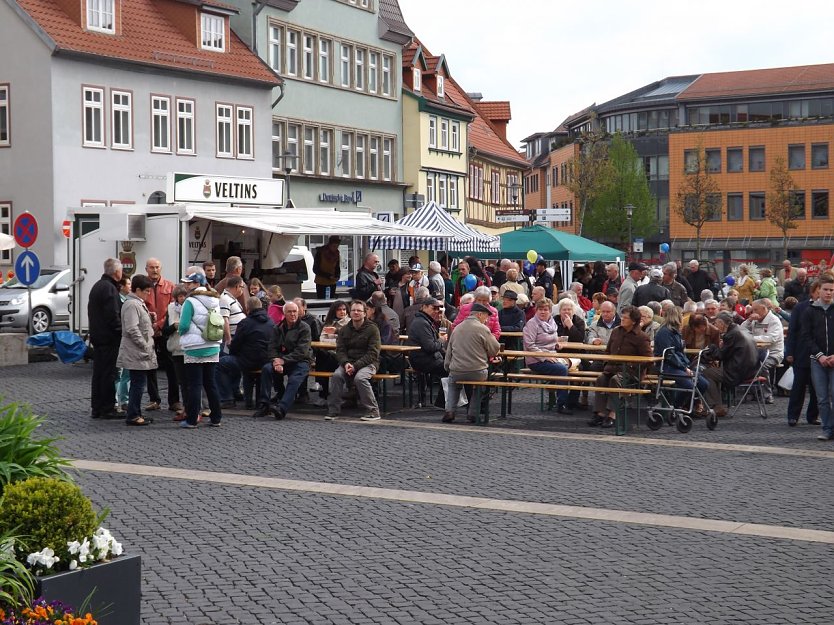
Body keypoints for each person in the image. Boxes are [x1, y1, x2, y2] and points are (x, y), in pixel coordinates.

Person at [588, 306, 652, 428]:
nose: (622, 319)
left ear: (633, 321)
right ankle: (600, 413)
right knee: (601, 379)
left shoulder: (641, 337)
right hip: (612, 368)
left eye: (625, 318)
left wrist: (632, 365)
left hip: (631, 372)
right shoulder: (616, 331)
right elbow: (608, 351)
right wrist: (607, 363)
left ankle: (613, 414)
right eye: (622, 317)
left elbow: (648, 359)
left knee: (615, 380)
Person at [252, 300, 313, 420]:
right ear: (284, 313)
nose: (293, 314)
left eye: (295, 311)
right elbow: (272, 347)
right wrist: (276, 361)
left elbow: (302, 351)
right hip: (281, 360)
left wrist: (283, 360)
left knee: (294, 379)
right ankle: (264, 405)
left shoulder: (304, 328)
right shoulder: (278, 327)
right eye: (289, 312)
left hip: (301, 361)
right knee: (266, 369)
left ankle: (282, 408)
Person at [177, 272, 223, 428]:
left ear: (197, 284)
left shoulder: (190, 301)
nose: (186, 286)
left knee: (195, 385)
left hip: (194, 347)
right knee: (211, 383)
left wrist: (180, 332)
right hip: (212, 344)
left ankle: (192, 420)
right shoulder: (215, 299)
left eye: (189, 283)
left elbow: (184, 325)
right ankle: (216, 418)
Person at [443, 302, 500, 423]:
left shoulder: (457, 328)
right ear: (479, 314)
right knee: (480, 386)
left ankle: (450, 411)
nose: (486, 320)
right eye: (486, 316)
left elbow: (449, 352)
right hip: (477, 371)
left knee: (453, 383)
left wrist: (448, 367)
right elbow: (494, 349)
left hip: (457, 370)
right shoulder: (483, 329)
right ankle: (473, 413)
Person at [325, 300, 381, 421]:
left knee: (360, 378)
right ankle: (333, 410)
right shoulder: (344, 329)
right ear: (350, 313)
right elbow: (340, 350)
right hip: (348, 363)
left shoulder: (373, 329)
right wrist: (346, 363)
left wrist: (355, 366)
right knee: (336, 376)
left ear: (365, 313)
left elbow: (373, 353)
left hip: (368, 363)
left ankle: (373, 411)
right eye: (353, 310)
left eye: (359, 311)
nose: (356, 313)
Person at [701, 312, 760, 418]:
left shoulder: (731, 334)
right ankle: (716, 405)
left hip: (738, 373)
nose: (715, 325)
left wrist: (712, 348)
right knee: (713, 371)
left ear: (721, 323)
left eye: (716, 323)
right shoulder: (742, 330)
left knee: (706, 372)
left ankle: (716, 406)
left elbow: (720, 356)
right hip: (753, 371)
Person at [218, 296, 273, 408]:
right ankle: (244, 396)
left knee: (221, 363)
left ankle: (227, 398)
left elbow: (236, 345)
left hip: (247, 361)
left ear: (247, 308)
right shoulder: (271, 323)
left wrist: (232, 350)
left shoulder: (245, 323)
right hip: (266, 361)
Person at [117, 274, 157, 426]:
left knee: (138, 383)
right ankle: (133, 415)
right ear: (138, 290)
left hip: (138, 351)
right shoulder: (132, 304)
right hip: (136, 351)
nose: (148, 294)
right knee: (137, 383)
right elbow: (132, 328)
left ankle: (136, 412)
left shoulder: (137, 303)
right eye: (146, 291)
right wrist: (144, 345)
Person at [142, 257, 179, 414]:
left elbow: (173, 309)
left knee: (172, 367)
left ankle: (174, 401)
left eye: (157, 267)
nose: (155, 270)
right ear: (146, 269)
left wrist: (159, 325)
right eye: (152, 267)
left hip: (165, 331)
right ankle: (154, 399)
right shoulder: (143, 286)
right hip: (149, 331)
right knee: (150, 366)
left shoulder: (170, 286)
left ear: (161, 268)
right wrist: (151, 326)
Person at [88, 258, 124, 420]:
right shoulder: (110, 288)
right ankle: (107, 408)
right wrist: (120, 332)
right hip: (109, 338)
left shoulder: (97, 286)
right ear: (116, 272)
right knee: (109, 374)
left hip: (98, 336)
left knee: (99, 374)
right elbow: (113, 315)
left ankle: (97, 407)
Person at [654, 306, 708, 409]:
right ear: (676, 317)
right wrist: (684, 368)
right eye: (682, 315)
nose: (683, 317)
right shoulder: (664, 333)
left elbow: (678, 353)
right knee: (689, 385)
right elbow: (669, 355)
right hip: (667, 366)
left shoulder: (675, 332)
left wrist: (685, 366)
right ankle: (676, 407)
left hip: (678, 365)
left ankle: (688, 406)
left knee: (703, 384)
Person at [524, 298, 572, 414]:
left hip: (552, 355)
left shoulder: (552, 322)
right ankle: (561, 404)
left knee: (576, 365)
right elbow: (529, 345)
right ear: (536, 310)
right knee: (562, 370)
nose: (543, 312)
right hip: (536, 360)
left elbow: (551, 340)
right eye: (540, 309)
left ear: (550, 311)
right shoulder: (532, 324)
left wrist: (556, 345)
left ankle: (572, 401)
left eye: (545, 309)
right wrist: (545, 357)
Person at [800, 273, 834, 440]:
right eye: (826, 289)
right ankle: (827, 429)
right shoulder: (809, 311)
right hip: (817, 360)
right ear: (818, 290)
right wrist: (820, 356)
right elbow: (806, 336)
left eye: (832, 290)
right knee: (822, 398)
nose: (829, 293)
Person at [785, 280, 820, 427]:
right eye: (819, 291)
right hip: (801, 353)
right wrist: (790, 352)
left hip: (820, 354)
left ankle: (813, 416)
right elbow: (792, 331)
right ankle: (793, 416)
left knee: (817, 388)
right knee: (798, 387)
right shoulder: (800, 307)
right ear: (813, 292)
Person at [741, 299, 784, 403]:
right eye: (752, 310)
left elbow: (771, 338)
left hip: (773, 353)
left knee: (761, 366)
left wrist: (751, 339)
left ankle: (767, 395)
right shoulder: (755, 320)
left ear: (764, 309)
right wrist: (749, 320)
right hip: (756, 353)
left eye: (756, 310)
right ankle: (753, 392)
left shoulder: (774, 320)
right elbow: (741, 331)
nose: (753, 312)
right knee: (744, 363)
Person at [406, 297, 447, 406]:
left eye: (438, 309)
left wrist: (447, 355)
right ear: (424, 307)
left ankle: (444, 402)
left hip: (425, 358)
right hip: (423, 360)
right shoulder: (422, 323)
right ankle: (441, 402)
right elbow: (430, 347)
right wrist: (441, 341)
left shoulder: (425, 321)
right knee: (451, 371)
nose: (436, 311)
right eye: (434, 308)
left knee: (452, 367)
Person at [162, 285, 188, 420]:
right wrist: (173, 326)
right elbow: (165, 330)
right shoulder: (171, 308)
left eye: (184, 296)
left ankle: (189, 407)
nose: (182, 298)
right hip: (176, 348)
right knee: (177, 378)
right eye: (180, 296)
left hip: (188, 348)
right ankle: (177, 403)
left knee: (188, 381)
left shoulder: (190, 307)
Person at [219, 275, 247, 346]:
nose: (242, 290)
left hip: (238, 335)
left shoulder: (231, 298)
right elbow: (225, 319)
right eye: (242, 287)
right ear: (237, 287)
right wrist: (229, 339)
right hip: (233, 337)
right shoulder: (225, 299)